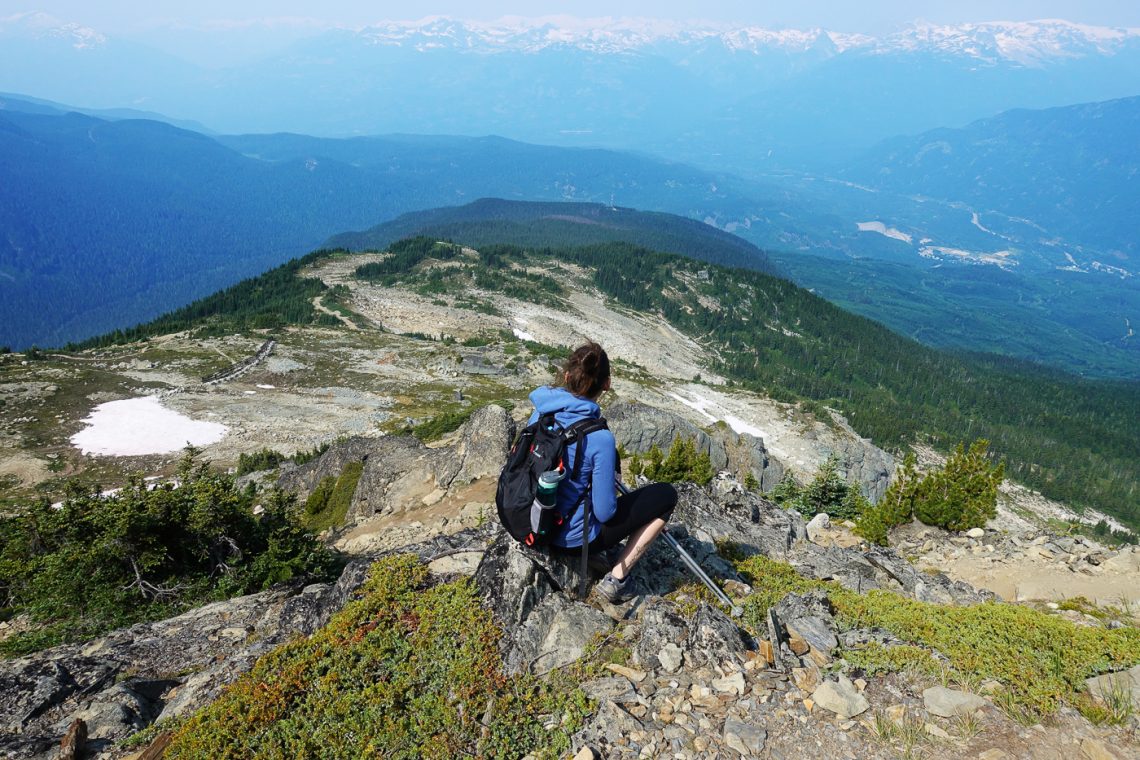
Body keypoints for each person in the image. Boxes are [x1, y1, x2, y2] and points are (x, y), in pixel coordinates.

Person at [526, 340, 677, 603]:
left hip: (531, 520)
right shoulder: (600, 438)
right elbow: (605, 512)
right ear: (606, 384)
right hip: (569, 540)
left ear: (566, 375)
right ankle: (617, 579)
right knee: (666, 496)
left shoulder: (540, 413)